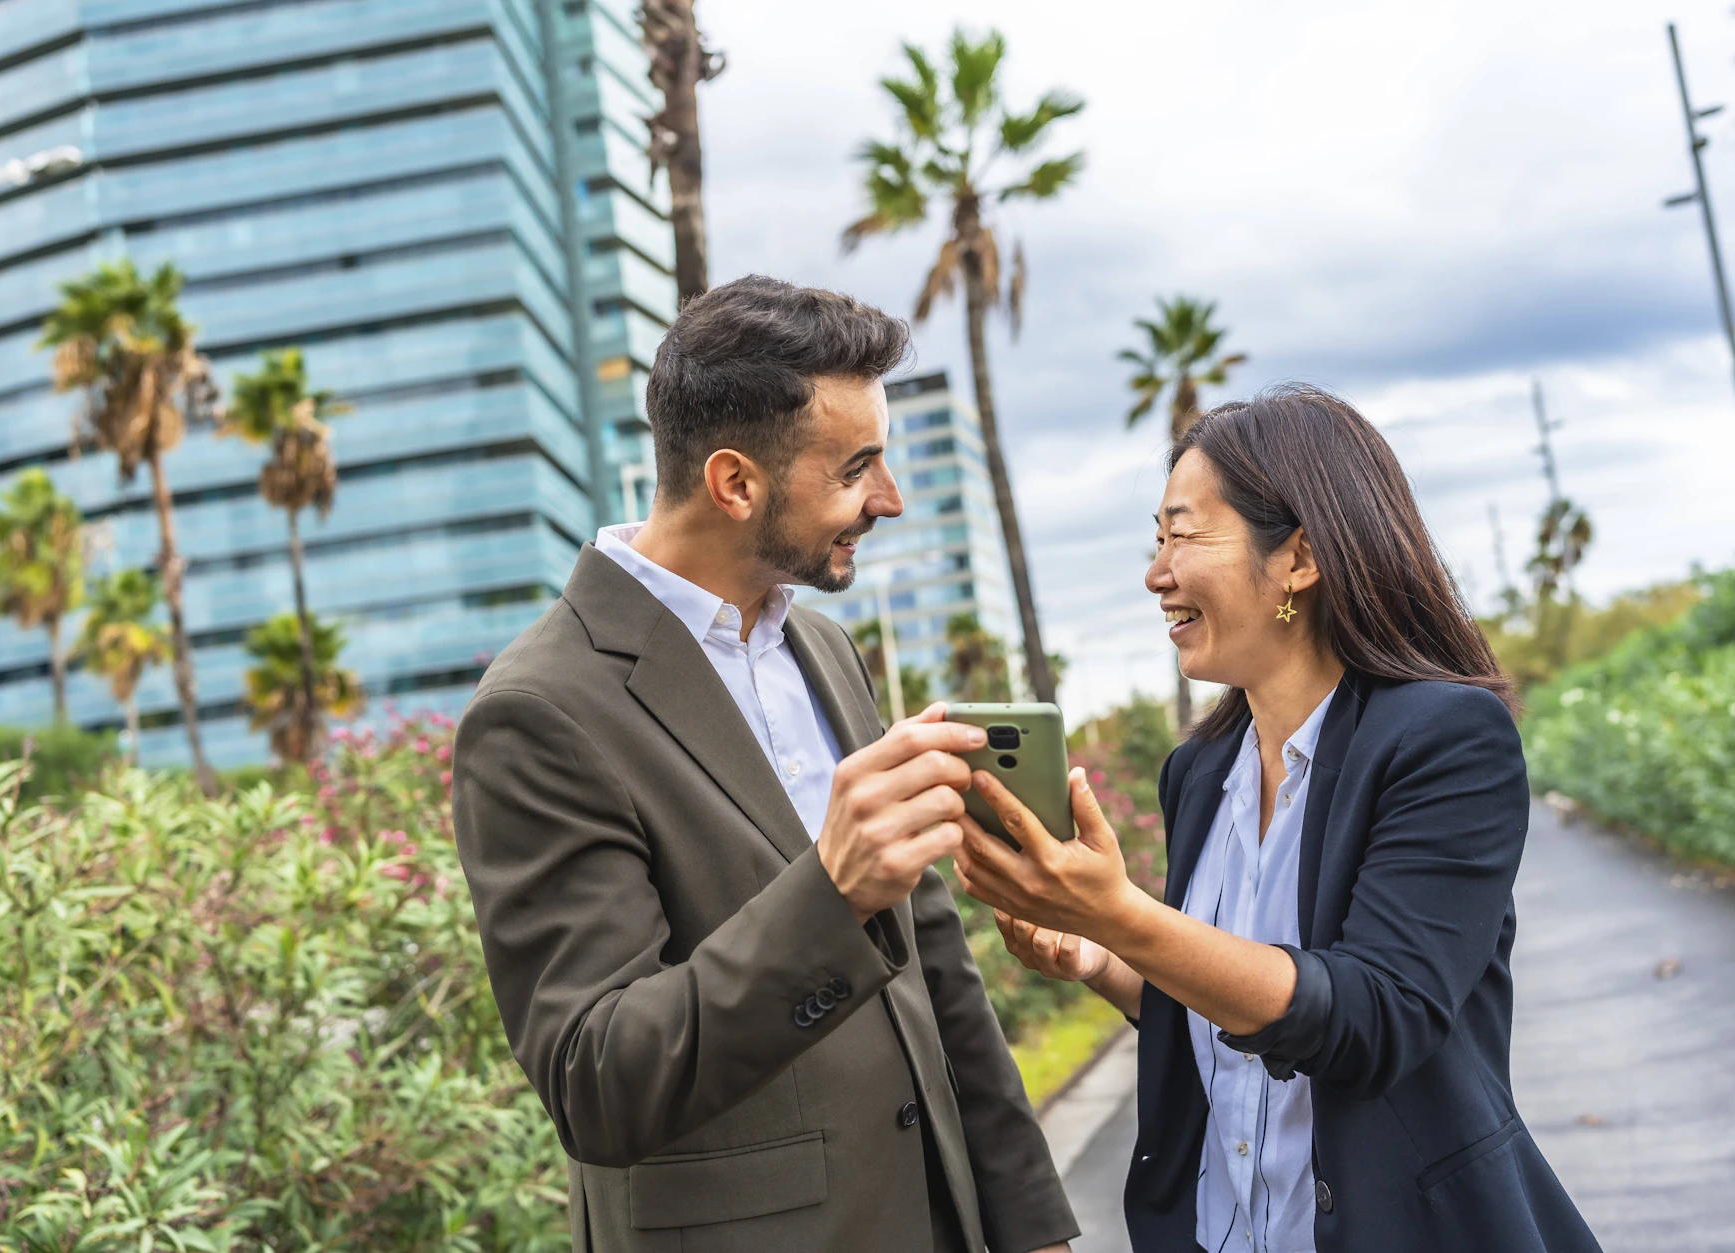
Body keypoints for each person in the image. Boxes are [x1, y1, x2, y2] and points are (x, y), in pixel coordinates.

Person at [451, 276, 1078, 1253]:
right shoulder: (538, 709)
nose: (890, 498)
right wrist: (830, 893)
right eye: (856, 467)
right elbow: (597, 1079)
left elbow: (935, 964)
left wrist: (1032, 1225)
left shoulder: (824, 649)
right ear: (735, 483)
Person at [952, 385, 1601, 1253]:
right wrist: (1104, 957)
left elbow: (1375, 1014)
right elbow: (1227, 1018)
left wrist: (1122, 914)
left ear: (1297, 555)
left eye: (1184, 535)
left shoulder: (1445, 739)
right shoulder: (1200, 772)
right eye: (1156, 540)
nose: (1156, 572)